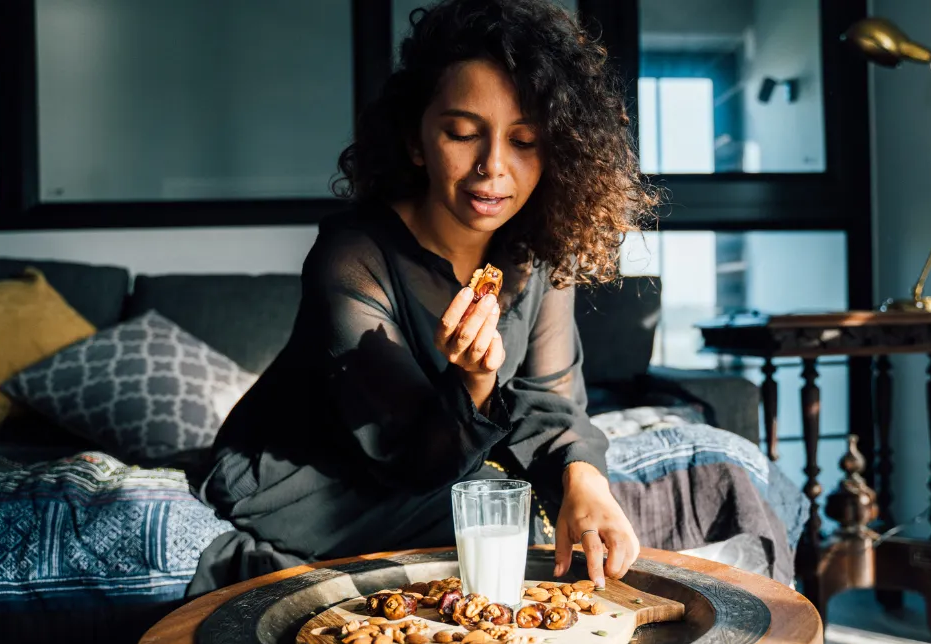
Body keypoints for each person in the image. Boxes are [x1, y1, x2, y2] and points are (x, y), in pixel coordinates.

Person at [187, 0, 660, 595]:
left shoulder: (537, 248)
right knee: (497, 520)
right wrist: (475, 381)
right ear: (416, 141)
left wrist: (585, 479)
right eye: (462, 134)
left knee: (567, 503)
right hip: (316, 473)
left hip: (445, 456)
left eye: (524, 140)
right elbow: (412, 456)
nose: (493, 167)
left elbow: (550, 397)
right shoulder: (352, 257)